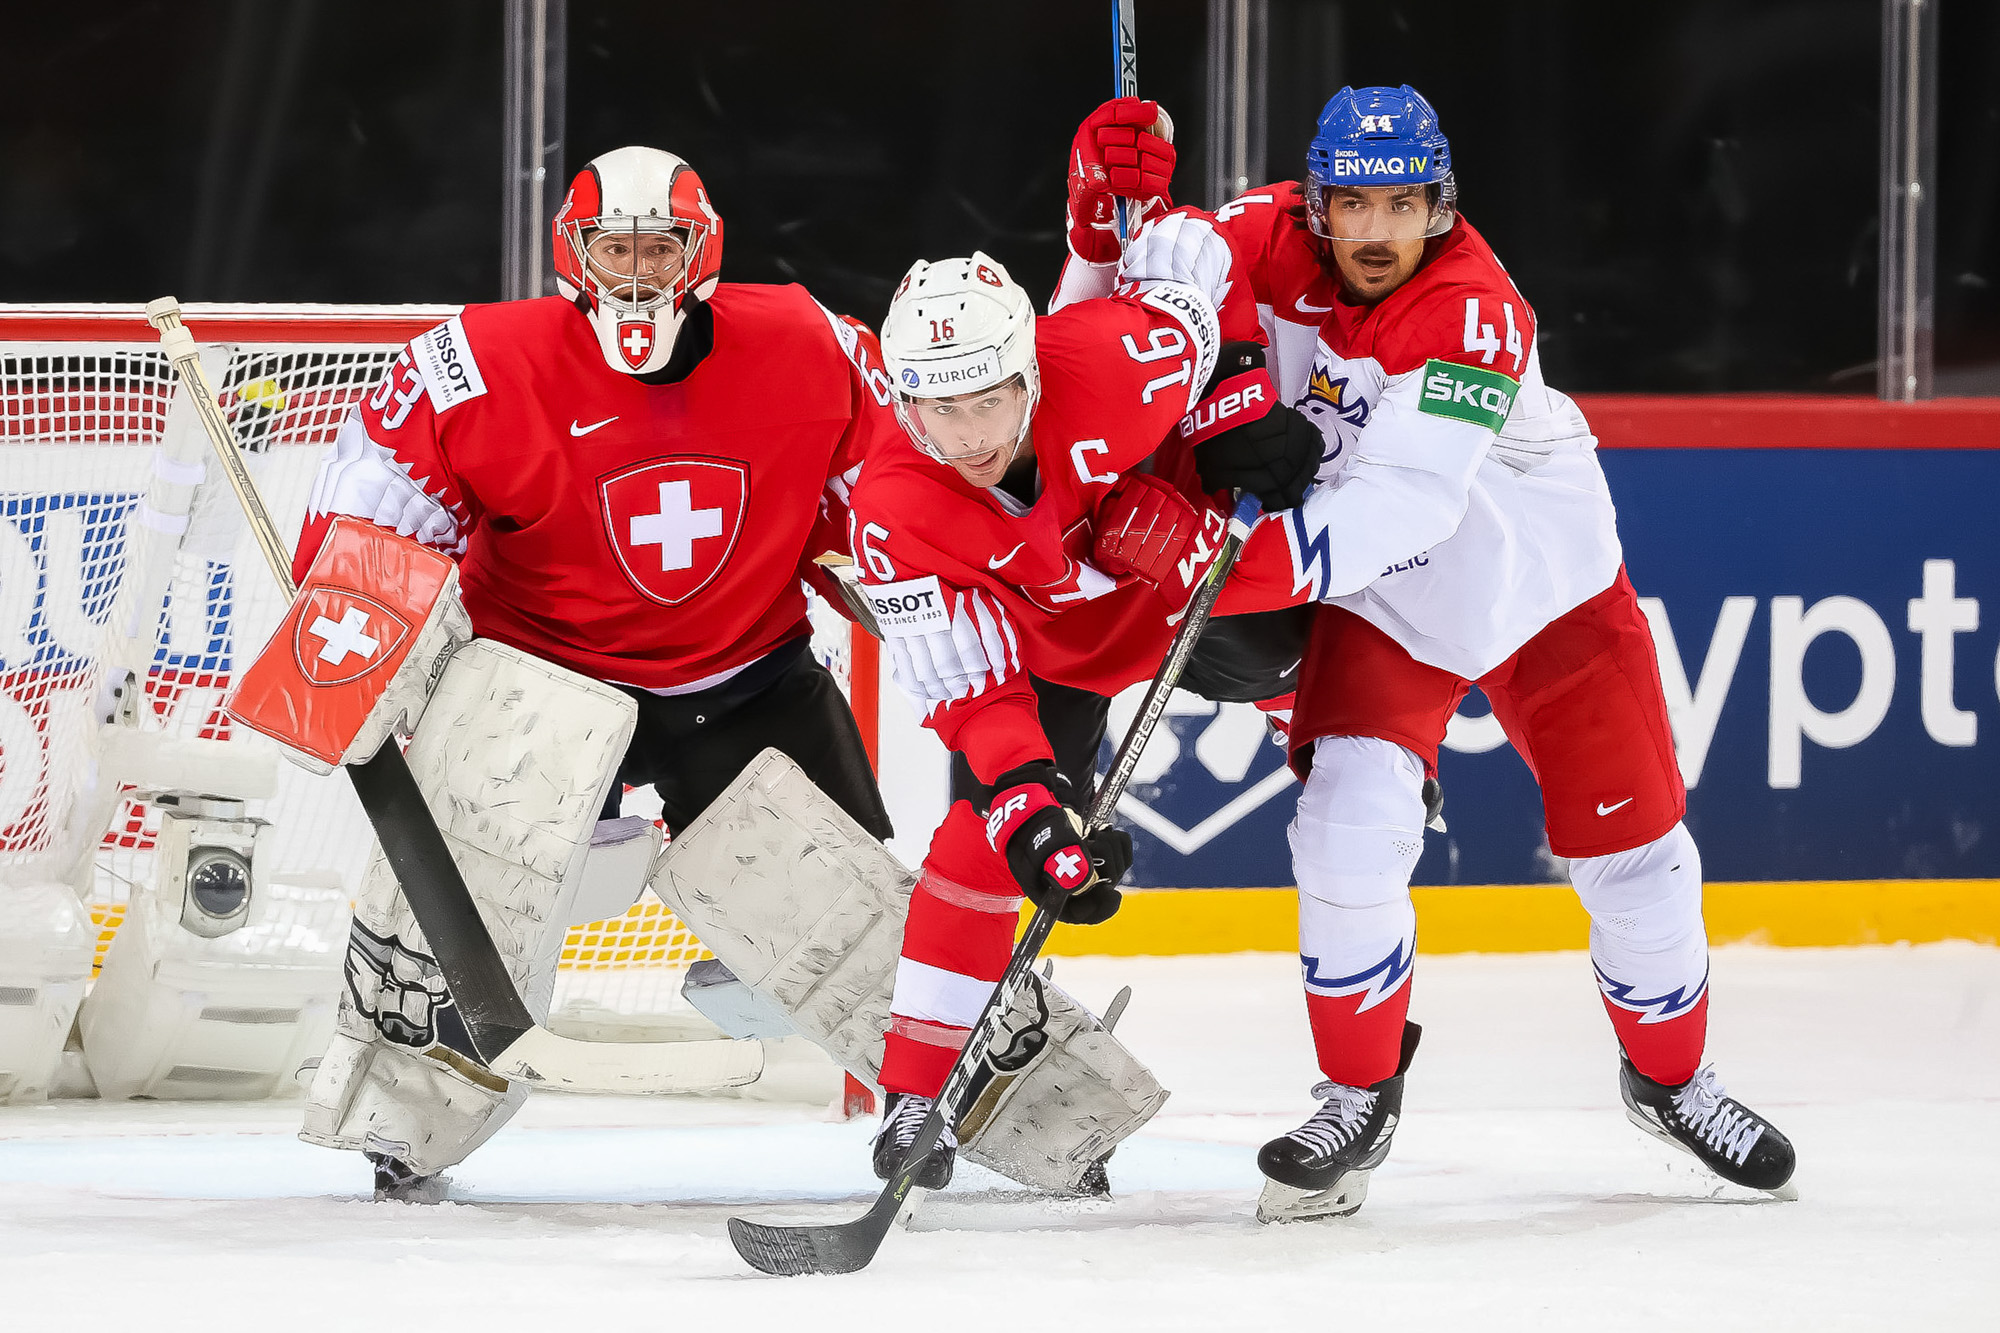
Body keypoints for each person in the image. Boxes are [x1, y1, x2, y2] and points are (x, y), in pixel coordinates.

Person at [1062, 88, 1797, 1221]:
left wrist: (1202, 557)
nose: (1370, 232)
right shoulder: (1247, 235)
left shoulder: (1474, 312)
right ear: (1313, 203)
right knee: (1346, 827)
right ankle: (1354, 1094)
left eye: (1399, 205)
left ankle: (1671, 1079)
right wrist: (1104, 234)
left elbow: (1395, 510)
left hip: (1541, 594)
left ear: (1438, 205)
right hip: (1388, 610)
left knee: (1638, 864)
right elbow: (1107, 344)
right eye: (1347, 204)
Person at [290, 144, 898, 1197]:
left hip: (746, 675)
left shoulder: (816, 344)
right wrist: (354, 641)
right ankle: (406, 1116)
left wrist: (885, 567)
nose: (632, 274)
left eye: (655, 248)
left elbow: (896, 493)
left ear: (700, 252)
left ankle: (967, 1095)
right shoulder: (473, 363)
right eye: (609, 248)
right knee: (455, 909)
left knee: (862, 929)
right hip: (542, 690)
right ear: (567, 254)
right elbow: (368, 514)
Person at [847, 230, 1319, 1189]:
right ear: (903, 403)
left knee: (1296, 645)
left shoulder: (1109, 360)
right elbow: (974, 692)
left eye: (991, 400)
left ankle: (1310, 723)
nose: (973, 434)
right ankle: (912, 1099)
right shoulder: (891, 510)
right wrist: (1032, 817)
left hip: (1184, 587)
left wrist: (1234, 406)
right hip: (1049, 653)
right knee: (979, 841)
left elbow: (1195, 250)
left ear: (1030, 372)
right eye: (942, 408)